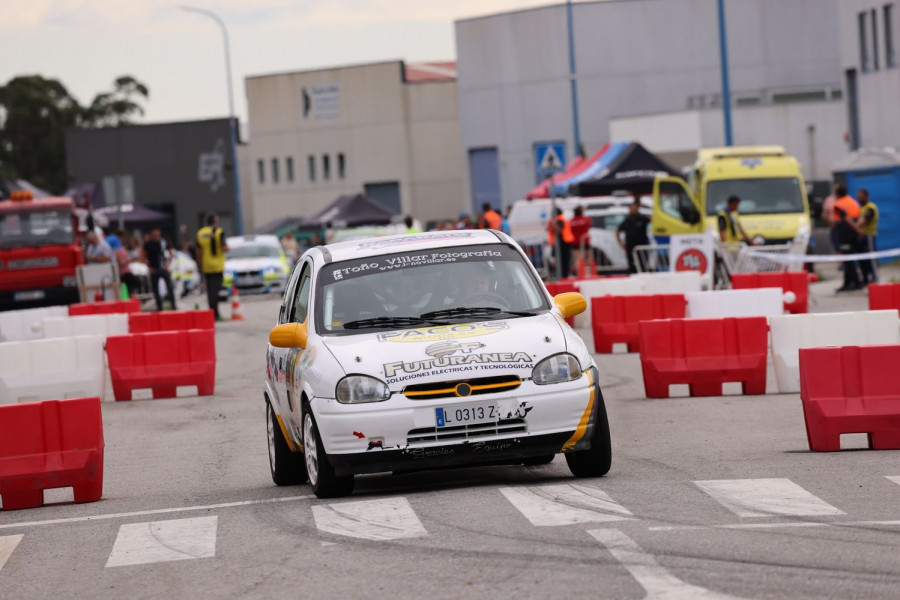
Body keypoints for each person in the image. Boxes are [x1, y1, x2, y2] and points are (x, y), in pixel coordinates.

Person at [196, 212, 229, 320]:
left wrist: (200, 264)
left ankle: (211, 313)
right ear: (215, 221)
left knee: (210, 290)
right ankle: (215, 313)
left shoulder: (200, 233)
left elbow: (198, 251)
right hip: (217, 266)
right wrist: (227, 248)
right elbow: (224, 247)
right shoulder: (219, 232)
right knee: (216, 290)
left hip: (206, 265)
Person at [832, 185, 861, 292]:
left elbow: (845, 218)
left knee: (848, 260)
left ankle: (853, 282)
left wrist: (856, 229)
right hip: (853, 234)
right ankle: (850, 282)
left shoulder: (839, 204)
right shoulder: (853, 201)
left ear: (837, 194)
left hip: (845, 233)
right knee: (849, 259)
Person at [143, 228, 176, 311]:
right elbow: (143, 256)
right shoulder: (148, 244)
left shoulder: (164, 243)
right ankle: (159, 307)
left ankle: (173, 306)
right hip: (154, 269)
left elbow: (171, 253)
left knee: (169, 288)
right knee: (156, 289)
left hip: (164, 268)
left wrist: (168, 265)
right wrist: (149, 267)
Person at [617, 198, 651, 273]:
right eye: (631, 208)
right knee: (631, 263)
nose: (633, 210)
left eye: (635, 208)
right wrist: (620, 242)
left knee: (642, 262)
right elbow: (617, 231)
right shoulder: (627, 220)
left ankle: (643, 274)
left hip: (641, 245)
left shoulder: (643, 218)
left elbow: (653, 220)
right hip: (630, 246)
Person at [855, 188, 879, 285]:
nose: (859, 198)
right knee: (862, 260)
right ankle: (865, 280)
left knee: (871, 259)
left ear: (866, 196)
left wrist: (854, 227)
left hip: (869, 236)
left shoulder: (870, 207)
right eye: (858, 196)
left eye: (861, 196)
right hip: (860, 237)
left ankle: (875, 279)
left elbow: (864, 220)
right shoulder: (860, 208)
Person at [108, 232, 139, 297]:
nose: (123, 239)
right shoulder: (116, 249)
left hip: (126, 271)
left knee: (129, 288)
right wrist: (128, 261)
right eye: (122, 238)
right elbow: (120, 263)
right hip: (123, 273)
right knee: (132, 285)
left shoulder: (122, 247)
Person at [547, 207, 575, 277]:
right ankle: (562, 274)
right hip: (563, 242)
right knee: (562, 260)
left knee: (563, 260)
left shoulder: (559, 220)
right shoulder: (561, 219)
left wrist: (553, 224)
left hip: (563, 243)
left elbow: (559, 229)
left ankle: (563, 275)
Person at [570, 205, 593, 271]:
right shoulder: (586, 219)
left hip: (575, 241)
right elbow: (590, 225)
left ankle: (580, 272)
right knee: (588, 256)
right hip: (585, 240)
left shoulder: (571, 221)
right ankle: (588, 271)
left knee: (577, 258)